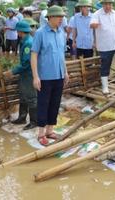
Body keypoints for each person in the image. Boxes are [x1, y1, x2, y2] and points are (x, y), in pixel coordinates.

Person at [31, 5, 69, 146]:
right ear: (50, 17)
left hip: (59, 74)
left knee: (55, 103)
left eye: (62, 17)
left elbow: (62, 55)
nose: (61, 19)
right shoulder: (40, 33)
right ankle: (41, 134)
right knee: (43, 104)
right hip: (45, 77)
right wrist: (36, 76)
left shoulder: (61, 33)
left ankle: (50, 130)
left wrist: (65, 72)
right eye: (59, 17)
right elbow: (34, 55)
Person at [4, 21, 37, 130]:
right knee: (23, 95)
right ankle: (22, 117)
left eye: (18, 31)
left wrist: (13, 71)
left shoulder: (28, 43)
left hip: (29, 74)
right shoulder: (24, 41)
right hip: (24, 74)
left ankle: (34, 121)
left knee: (31, 97)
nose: (17, 33)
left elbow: (26, 63)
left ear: (20, 31)